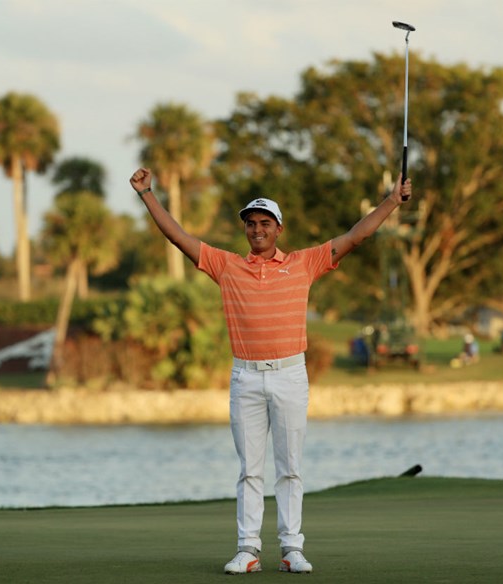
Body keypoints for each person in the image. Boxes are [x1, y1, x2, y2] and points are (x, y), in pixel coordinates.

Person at [129, 167, 412, 575]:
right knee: (250, 470)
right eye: (250, 224)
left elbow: (356, 236)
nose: (256, 229)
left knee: (290, 467)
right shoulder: (226, 266)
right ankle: (247, 550)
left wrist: (391, 201)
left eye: (264, 223)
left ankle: (291, 549)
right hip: (245, 377)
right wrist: (147, 194)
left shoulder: (303, 263)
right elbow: (178, 236)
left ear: (279, 229)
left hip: (290, 375)